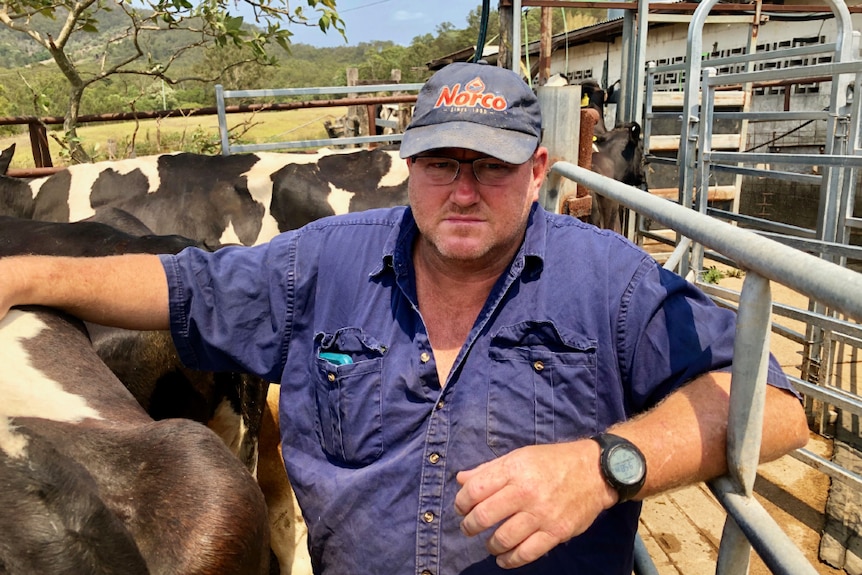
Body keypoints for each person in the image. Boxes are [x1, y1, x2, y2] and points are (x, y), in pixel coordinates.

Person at [0, 61, 808, 574]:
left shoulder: (610, 281)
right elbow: (182, 288)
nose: (463, 189)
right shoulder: (323, 262)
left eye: (489, 166)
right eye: (441, 162)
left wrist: (602, 468)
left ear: (536, 170)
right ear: (408, 162)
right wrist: (23, 273)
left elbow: (774, 406)